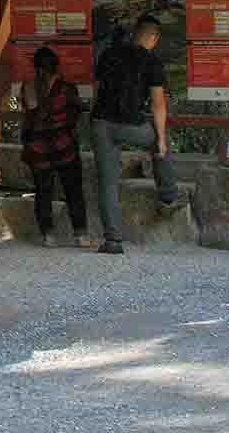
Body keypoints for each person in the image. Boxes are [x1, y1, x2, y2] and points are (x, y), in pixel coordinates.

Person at [89, 14, 180, 254]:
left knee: (107, 183)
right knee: (160, 144)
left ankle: (113, 241)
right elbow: (158, 105)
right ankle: (169, 197)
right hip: (131, 126)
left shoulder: (108, 54)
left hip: (101, 124)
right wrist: (160, 139)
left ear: (135, 32)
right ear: (154, 37)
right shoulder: (151, 62)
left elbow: (97, 91)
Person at [21, 46, 91, 248]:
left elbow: (27, 114)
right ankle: (80, 234)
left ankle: (48, 235)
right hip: (64, 146)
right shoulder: (66, 89)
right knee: (73, 190)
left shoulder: (28, 87)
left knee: (43, 191)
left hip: (37, 148)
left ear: (36, 67)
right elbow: (76, 112)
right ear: (56, 67)